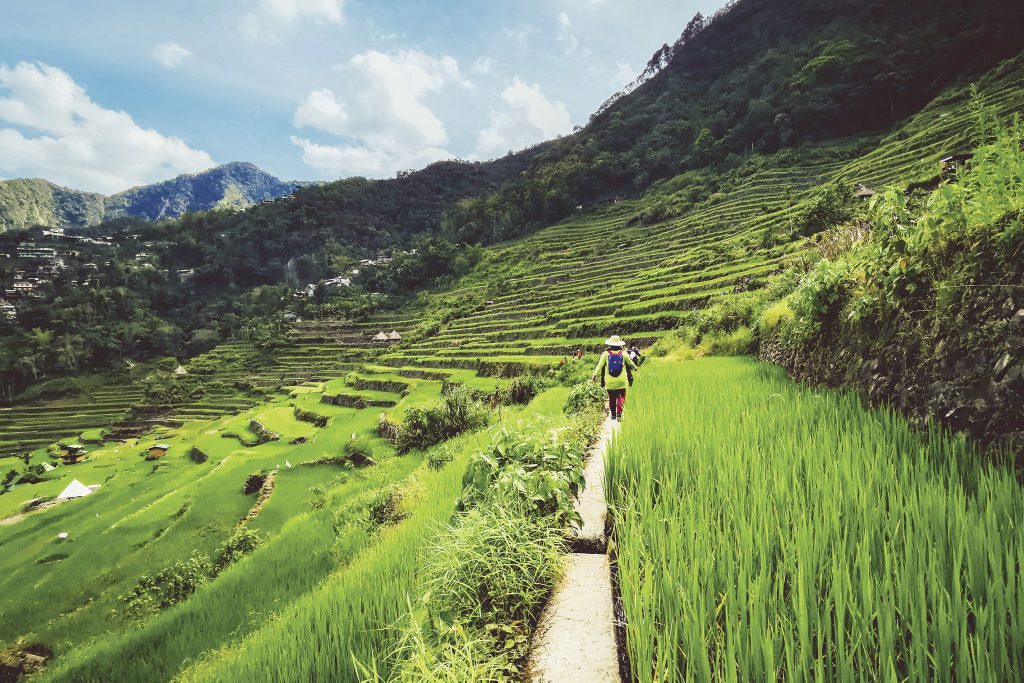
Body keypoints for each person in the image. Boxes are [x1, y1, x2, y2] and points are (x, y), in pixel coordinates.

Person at [591, 334, 638, 421]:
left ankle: (613, 415)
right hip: (622, 380)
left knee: (612, 398)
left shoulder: (605, 354)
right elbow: (631, 364)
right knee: (621, 397)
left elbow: (600, 365)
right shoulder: (623, 353)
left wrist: (594, 374)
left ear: (610, 344)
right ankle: (619, 414)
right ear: (619, 344)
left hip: (609, 381)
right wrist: (636, 368)